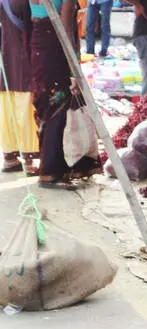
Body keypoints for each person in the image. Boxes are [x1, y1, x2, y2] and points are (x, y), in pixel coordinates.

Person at [29, 0, 101, 189]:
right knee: (59, 107)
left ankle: (55, 168)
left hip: (39, 44)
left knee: (47, 106)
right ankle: (52, 171)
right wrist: (74, 70)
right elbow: (66, 29)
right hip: (56, 47)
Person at [0, 0, 39, 174]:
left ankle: (9, 156)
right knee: (25, 109)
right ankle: (29, 159)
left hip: (5, 61)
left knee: (6, 108)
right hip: (24, 59)